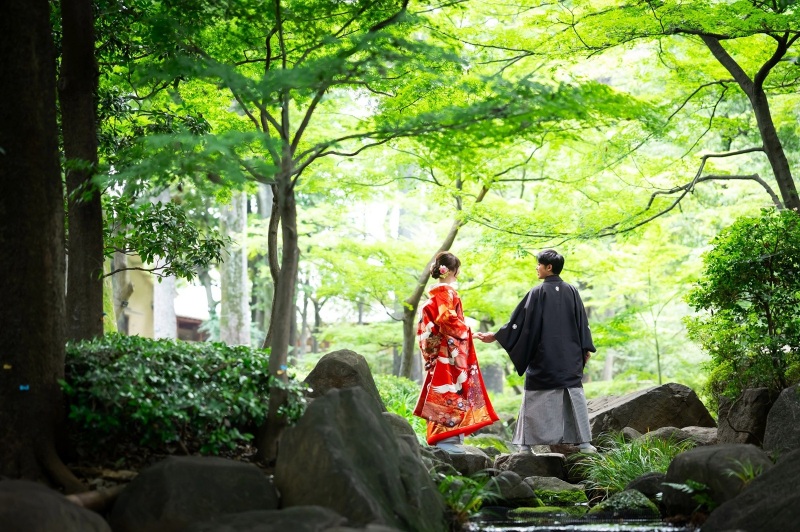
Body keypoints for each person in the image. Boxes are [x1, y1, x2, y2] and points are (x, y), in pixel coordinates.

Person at [475, 249, 597, 454]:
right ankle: (584, 443)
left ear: (549, 267)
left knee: (536, 397)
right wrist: (586, 347)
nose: (536, 268)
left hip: (544, 357)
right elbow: (582, 323)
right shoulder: (572, 291)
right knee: (573, 394)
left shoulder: (537, 292)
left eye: (539, 264)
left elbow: (519, 323)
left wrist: (495, 335)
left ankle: (525, 446)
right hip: (569, 356)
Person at [413, 251, 499, 454]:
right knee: (452, 391)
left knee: (441, 392)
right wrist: (467, 331)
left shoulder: (434, 294)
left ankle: (443, 438)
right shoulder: (447, 291)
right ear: (453, 270)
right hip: (448, 352)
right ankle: (448, 439)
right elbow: (446, 319)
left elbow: (428, 329)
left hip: (439, 351)